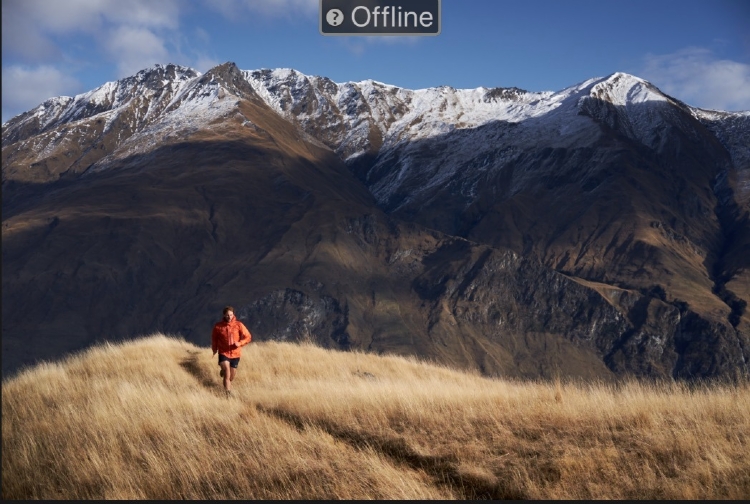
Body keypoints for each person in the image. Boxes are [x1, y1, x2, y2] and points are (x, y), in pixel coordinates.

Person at [211, 306, 252, 397]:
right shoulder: (218, 326)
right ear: (224, 315)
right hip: (223, 352)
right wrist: (214, 349)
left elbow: (248, 337)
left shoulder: (238, 325)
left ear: (233, 315)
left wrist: (240, 343)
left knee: (231, 377)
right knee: (227, 372)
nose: (229, 317)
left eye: (231, 315)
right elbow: (214, 339)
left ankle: (224, 373)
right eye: (227, 315)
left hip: (235, 354)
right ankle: (227, 394)